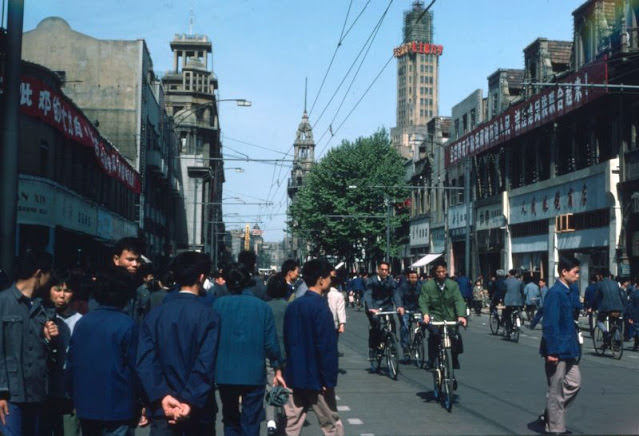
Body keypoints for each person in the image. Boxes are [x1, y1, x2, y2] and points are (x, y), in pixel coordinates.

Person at [136, 252, 220, 436]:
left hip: (162, 408)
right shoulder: (208, 316)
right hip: (198, 408)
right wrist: (189, 401)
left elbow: (145, 362)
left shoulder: (155, 315)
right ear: (201, 277)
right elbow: (205, 364)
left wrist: (162, 396)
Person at [66, 267, 141, 436]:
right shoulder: (127, 325)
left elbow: (71, 363)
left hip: (86, 403)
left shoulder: (82, 323)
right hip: (119, 404)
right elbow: (135, 367)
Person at [213, 263, 285, 436]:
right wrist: (277, 367)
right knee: (251, 419)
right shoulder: (262, 307)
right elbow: (270, 343)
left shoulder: (217, 305)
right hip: (254, 372)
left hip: (225, 371)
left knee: (230, 417)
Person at [0, 250, 58, 436]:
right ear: (39, 273)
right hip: (10, 393)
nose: (49, 281)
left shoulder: (43, 306)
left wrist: (49, 338)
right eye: (49, 275)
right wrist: (1, 392)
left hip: (36, 390)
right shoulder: (3, 302)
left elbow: (46, 352)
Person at [283, 259, 344, 436]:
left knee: (292, 425)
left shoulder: (293, 306)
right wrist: (328, 379)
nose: (331, 281)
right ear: (321, 280)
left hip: (295, 374)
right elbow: (326, 348)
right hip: (318, 379)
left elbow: (287, 340)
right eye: (328, 277)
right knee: (331, 424)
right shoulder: (322, 308)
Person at [538, 256, 582, 435]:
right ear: (564, 272)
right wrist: (552, 351)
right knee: (555, 389)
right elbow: (550, 324)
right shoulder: (555, 293)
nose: (578, 276)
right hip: (557, 348)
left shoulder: (568, 290)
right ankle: (556, 428)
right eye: (576, 272)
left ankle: (551, 412)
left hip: (569, 347)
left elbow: (576, 309)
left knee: (574, 383)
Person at [44, 270, 84, 436]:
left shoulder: (80, 321)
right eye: (57, 289)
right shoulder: (40, 317)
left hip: (69, 391)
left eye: (67, 291)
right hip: (44, 390)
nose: (61, 295)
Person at [418, 260, 467, 370]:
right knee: (435, 335)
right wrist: (425, 314)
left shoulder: (453, 285)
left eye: (443, 271)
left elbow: (458, 300)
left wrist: (461, 315)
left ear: (446, 271)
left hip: (450, 316)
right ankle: (432, 360)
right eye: (438, 272)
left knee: (455, 337)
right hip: (435, 316)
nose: (441, 274)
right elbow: (423, 301)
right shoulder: (428, 286)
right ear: (435, 272)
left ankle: (453, 359)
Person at [363, 261, 402, 371]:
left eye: (386, 270)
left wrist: (399, 306)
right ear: (378, 270)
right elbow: (368, 295)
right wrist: (371, 308)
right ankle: (373, 348)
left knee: (392, 323)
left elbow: (395, 294)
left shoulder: (391, 280)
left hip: (387, 306)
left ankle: (392, 343)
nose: (384, 272)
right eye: (382, 269)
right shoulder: (371, 281)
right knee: (376, 324)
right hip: (374, 307)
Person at [265, 273, 289, 435]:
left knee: (270, 384)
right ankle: (285, 415)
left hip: (269, 350)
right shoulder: (289, 307)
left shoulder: (264, 307)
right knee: (286, 384)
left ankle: (271, 420)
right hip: (287, 351)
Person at [593, 271, 626, 340]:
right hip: (618, 307)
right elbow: (620, 295)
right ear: (609, 276)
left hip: (606, 307)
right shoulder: (615, 283)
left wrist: (593, 307)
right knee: (614, 323)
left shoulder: (600, 284)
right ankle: (617, 341)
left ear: (601, 276)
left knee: (599, 321)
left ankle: (605, 333)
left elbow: (595, 297)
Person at [397, 270, 421, 359]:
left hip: (417, 310)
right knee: (404, 326)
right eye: (412, 277)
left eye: (415, 277)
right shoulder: (403, 287)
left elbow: (424, 298)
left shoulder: (420, 286)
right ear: (408, 278)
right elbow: (399, 297)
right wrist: (400, 307)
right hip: (406, 309)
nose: (414, 279)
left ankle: (419, 339)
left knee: (424, 324)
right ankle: (405, 347)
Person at [326, 269, 346, 341]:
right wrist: (342, 324)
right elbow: (340, 310)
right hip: (334, 323)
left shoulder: (324, 293)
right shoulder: (339, 295)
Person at [502, 269, 524, 335]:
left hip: (508, 301)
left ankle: (509, 327)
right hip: (518, 301)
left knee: (507, 315)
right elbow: (522, 291)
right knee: (517, 311)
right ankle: (518, 321)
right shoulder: (519, 282)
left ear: (510, 274)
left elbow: (503, 290)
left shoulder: (506, 281)